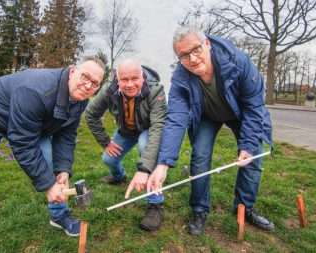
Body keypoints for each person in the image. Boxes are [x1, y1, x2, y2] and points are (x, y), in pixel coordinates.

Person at [0, 56, 105, 253]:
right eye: (85, 77)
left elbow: (66, 134)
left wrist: (63, 169)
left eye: (95, 84)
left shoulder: (79, 99)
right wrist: (47, 185)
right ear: (73, 71)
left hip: (31, 122)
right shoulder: (36, 90)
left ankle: (59, 215)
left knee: (52, 168)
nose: (87, 85)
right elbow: (22, 142)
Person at [146, 26, 274, 235]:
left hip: (241, 113)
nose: (193, 59)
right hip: (207, 115)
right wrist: (163, 164)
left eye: (196, 50)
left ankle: (245, 208)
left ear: (207, 44)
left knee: (253, 156)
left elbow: (254, 107)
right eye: (184, 56)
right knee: (200, 156)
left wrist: (248, 145)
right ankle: (199, 209)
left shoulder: (239, 62)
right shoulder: (180, 78)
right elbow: (176, 119)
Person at [85, 59, 167, 231]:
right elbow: (91, 114)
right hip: (126, 131)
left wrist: (144, 169)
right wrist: (105, 142)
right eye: (124, 79)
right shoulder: (109, 90)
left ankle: (155, 204)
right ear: (117, 78)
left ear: (142, 77)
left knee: (146, 149)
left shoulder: (156, 90)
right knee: (108, 159)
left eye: (134, 78)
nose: (129, 84)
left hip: (148, 130)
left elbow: (158, 127)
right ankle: (119, 176)